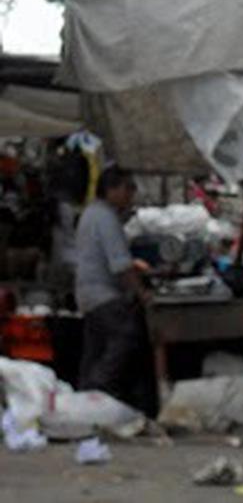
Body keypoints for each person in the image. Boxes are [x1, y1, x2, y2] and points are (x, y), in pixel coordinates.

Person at [75, 167, 158, 416]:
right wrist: (142, 293)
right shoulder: (105, 218)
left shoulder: (91, 213)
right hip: (104, 295)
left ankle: (84, 403)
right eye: (127, 189)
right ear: (111, 189)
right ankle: (99, 388)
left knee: (96, 349)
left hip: (89, 295)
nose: (130, 195)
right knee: (127, 338)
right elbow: (120, 265)